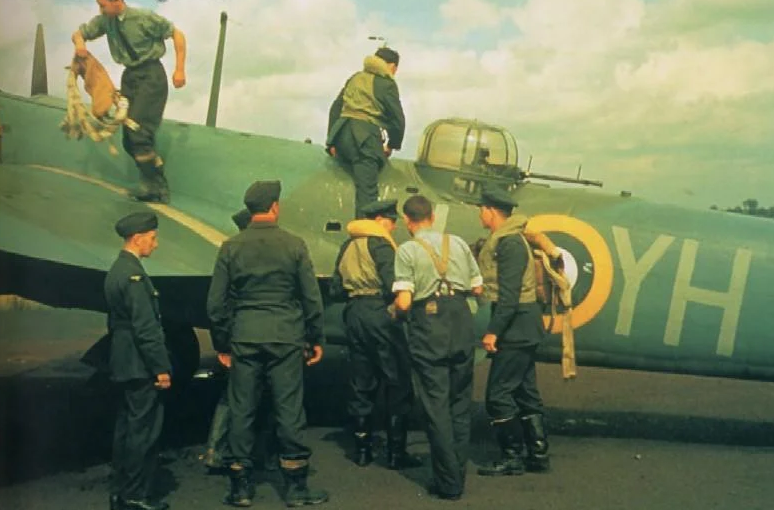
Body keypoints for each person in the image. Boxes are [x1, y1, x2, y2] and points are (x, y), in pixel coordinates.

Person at [206, 181, 329, 507]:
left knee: (242, 408)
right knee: (289, 408)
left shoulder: (230, 247)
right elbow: (311, 299)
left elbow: (216, 304)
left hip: (244, 337)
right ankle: (296, 489)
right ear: (275, 207)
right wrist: (314, 337)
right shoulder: (295, 244)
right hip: (286, 336)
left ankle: (240, 489)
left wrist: (222, 344)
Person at [392, 195, 483, 500]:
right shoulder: (456, 242)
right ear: (432, 216)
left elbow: (404, 301)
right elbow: (478, 287)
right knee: (460, 405)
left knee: (436, 406)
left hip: (429, 327)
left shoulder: (406, 250)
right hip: (461, 322)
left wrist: (394, 312)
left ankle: (449, 483)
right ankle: (457, 473)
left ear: (408, 220)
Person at [329, 199, 422, 469]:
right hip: (380, 313)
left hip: (354, 313)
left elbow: (335, 288)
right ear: (381, 219)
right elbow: (394, 282)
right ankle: (396, 454)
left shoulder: (347, 245)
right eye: (392, 222)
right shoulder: (380, 244)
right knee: (398, 380)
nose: (393, 228)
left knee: (362, 381)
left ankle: (362, 451)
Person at [72, 0, 187, 204]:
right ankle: (153, 177)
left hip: (151, 75)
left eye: (103, 5)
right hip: (130, 77)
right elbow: (78, 33)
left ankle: (156, 187)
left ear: (117, 1)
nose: (100, 9)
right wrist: (80, 45)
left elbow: (177, 35)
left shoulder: (144, 18)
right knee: (128, 139)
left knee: (138, 132)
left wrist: (179, 69)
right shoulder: (105, 21)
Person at [474, 184, 550, 476]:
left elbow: (510, 296)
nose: (480, 215)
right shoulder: (510, 240)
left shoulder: (508, 244)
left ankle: (512, 456)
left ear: (491, 211)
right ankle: (538, 453)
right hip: (524, 326)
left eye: (481, 210)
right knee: (525, 391)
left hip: (517, 327)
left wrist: (493, 332)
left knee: (498, 394)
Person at [202, 208, 278, 475]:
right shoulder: (251, 259)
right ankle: (247, 455)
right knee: (249, 396)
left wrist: (222, 344)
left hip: (237, 339)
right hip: (250, 339)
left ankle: (217, 451)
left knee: (233, 397)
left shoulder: (231, 254)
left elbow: (216, 307)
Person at [104, 211, 172, 510]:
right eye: (153, 238)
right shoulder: (134, 276)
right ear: (137, 238)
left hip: (123, 361)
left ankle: (120, 491)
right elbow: (146, 328)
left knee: (126, 429)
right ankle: (136, 495)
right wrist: (161, 368)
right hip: (140, 363)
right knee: (143, 430)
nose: (155, 245)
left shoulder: (116, 270)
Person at [326, 47, 405, 219]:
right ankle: (364, 238)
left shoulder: (355, 78)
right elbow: (398, 120)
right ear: (392, 66)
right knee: (367, 194)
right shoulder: (386, 83)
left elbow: (335, 109)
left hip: (341, 135)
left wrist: (331, 142)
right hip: (364, 140)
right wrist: (392, 145)